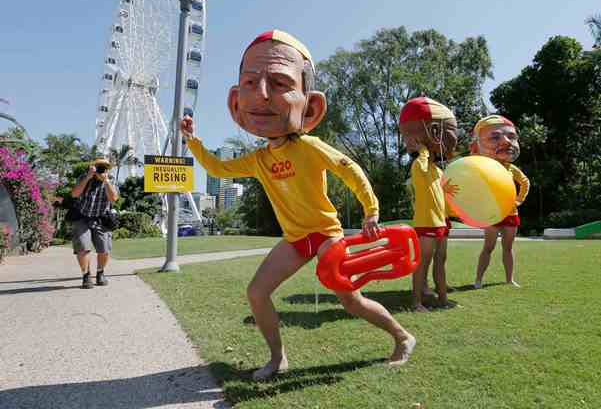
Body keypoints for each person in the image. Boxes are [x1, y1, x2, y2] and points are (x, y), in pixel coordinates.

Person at [181, 30, 415, 380]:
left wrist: (371, 210)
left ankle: (402, 337)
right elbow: (217, 168)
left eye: (278, 83)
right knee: (257, 293)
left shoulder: (310, 146)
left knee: (351, 300)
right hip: (295, 240)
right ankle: (278, 358)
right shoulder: (259, 159)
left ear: (309, 105)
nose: (261, 96)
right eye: (251, 83)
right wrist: (192, 141)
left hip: (326, 236)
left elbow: (350, 171)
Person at [398, 97, 457, 312]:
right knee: (421, 264)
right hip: (426, 224)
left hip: (441, 223)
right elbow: (422, 163)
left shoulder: (439, 171)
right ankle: (416, 302)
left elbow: (442, 199)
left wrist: (451, 207)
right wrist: (422, 149)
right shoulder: (418, 165)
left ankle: (443, 299)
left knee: (441, 261)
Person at [470, 115, 530, 288]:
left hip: (511, 213)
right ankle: (478, 280)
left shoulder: (512, 168)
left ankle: (509, 279)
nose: (505, 142)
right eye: (495, 137)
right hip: (492, 214)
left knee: (508, 248)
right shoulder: (484, 166)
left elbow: (525, 182)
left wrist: (519, 200)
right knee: (488, 247)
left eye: (511, 137)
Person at [70, 158, 119, 289]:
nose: (101, 169)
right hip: (82, 217)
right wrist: (88, 177)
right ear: (93, 167)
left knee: (104, 250)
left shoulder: (111, 180)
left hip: (101, 218)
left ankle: (100, 272)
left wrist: (106, 181)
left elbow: (114, 198)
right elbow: (74, 194)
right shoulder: (84, 177)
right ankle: (86, 275)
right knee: (82, 247)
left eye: (104, 167)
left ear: (108, 169)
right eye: (99, 167)